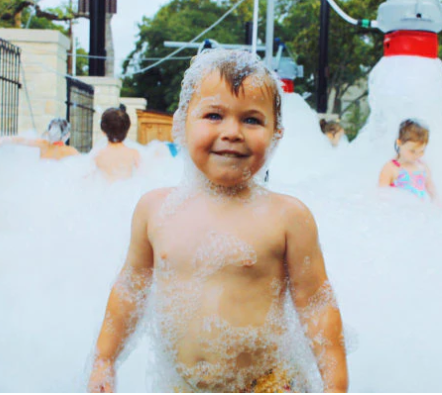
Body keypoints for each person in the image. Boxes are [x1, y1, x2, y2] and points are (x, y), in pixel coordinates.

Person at [87, 50, 348, 393]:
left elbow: (317, 305)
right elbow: (129, 290)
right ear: (181, 124)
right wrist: (104, 360)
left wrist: (336, 385)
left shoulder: (286, 217)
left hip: (266, 385)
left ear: (276, 134)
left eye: (252, 120)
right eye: (213, 115)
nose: (232, 132)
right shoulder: (155, 209)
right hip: (181, 385)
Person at [378, 119, 437, 201]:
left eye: (421, 151)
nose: (417, 155)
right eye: (412, 151)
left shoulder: (423, 167)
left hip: (419, 212)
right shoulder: (391, 168)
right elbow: (381, 195)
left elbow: (432, 190)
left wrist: (437, 204)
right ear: (399, 143)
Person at [93, 106, 141, 181]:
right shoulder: (134, 154)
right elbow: (143, 178)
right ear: (127, 129)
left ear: (103, 131)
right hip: (127, 190)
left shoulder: (97, 155)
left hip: (104, 191)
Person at [0, 118, 79, 160]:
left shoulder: (44, 145)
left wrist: (3, 140)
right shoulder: (71, 151)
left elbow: (22, 140)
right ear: (67, 135)